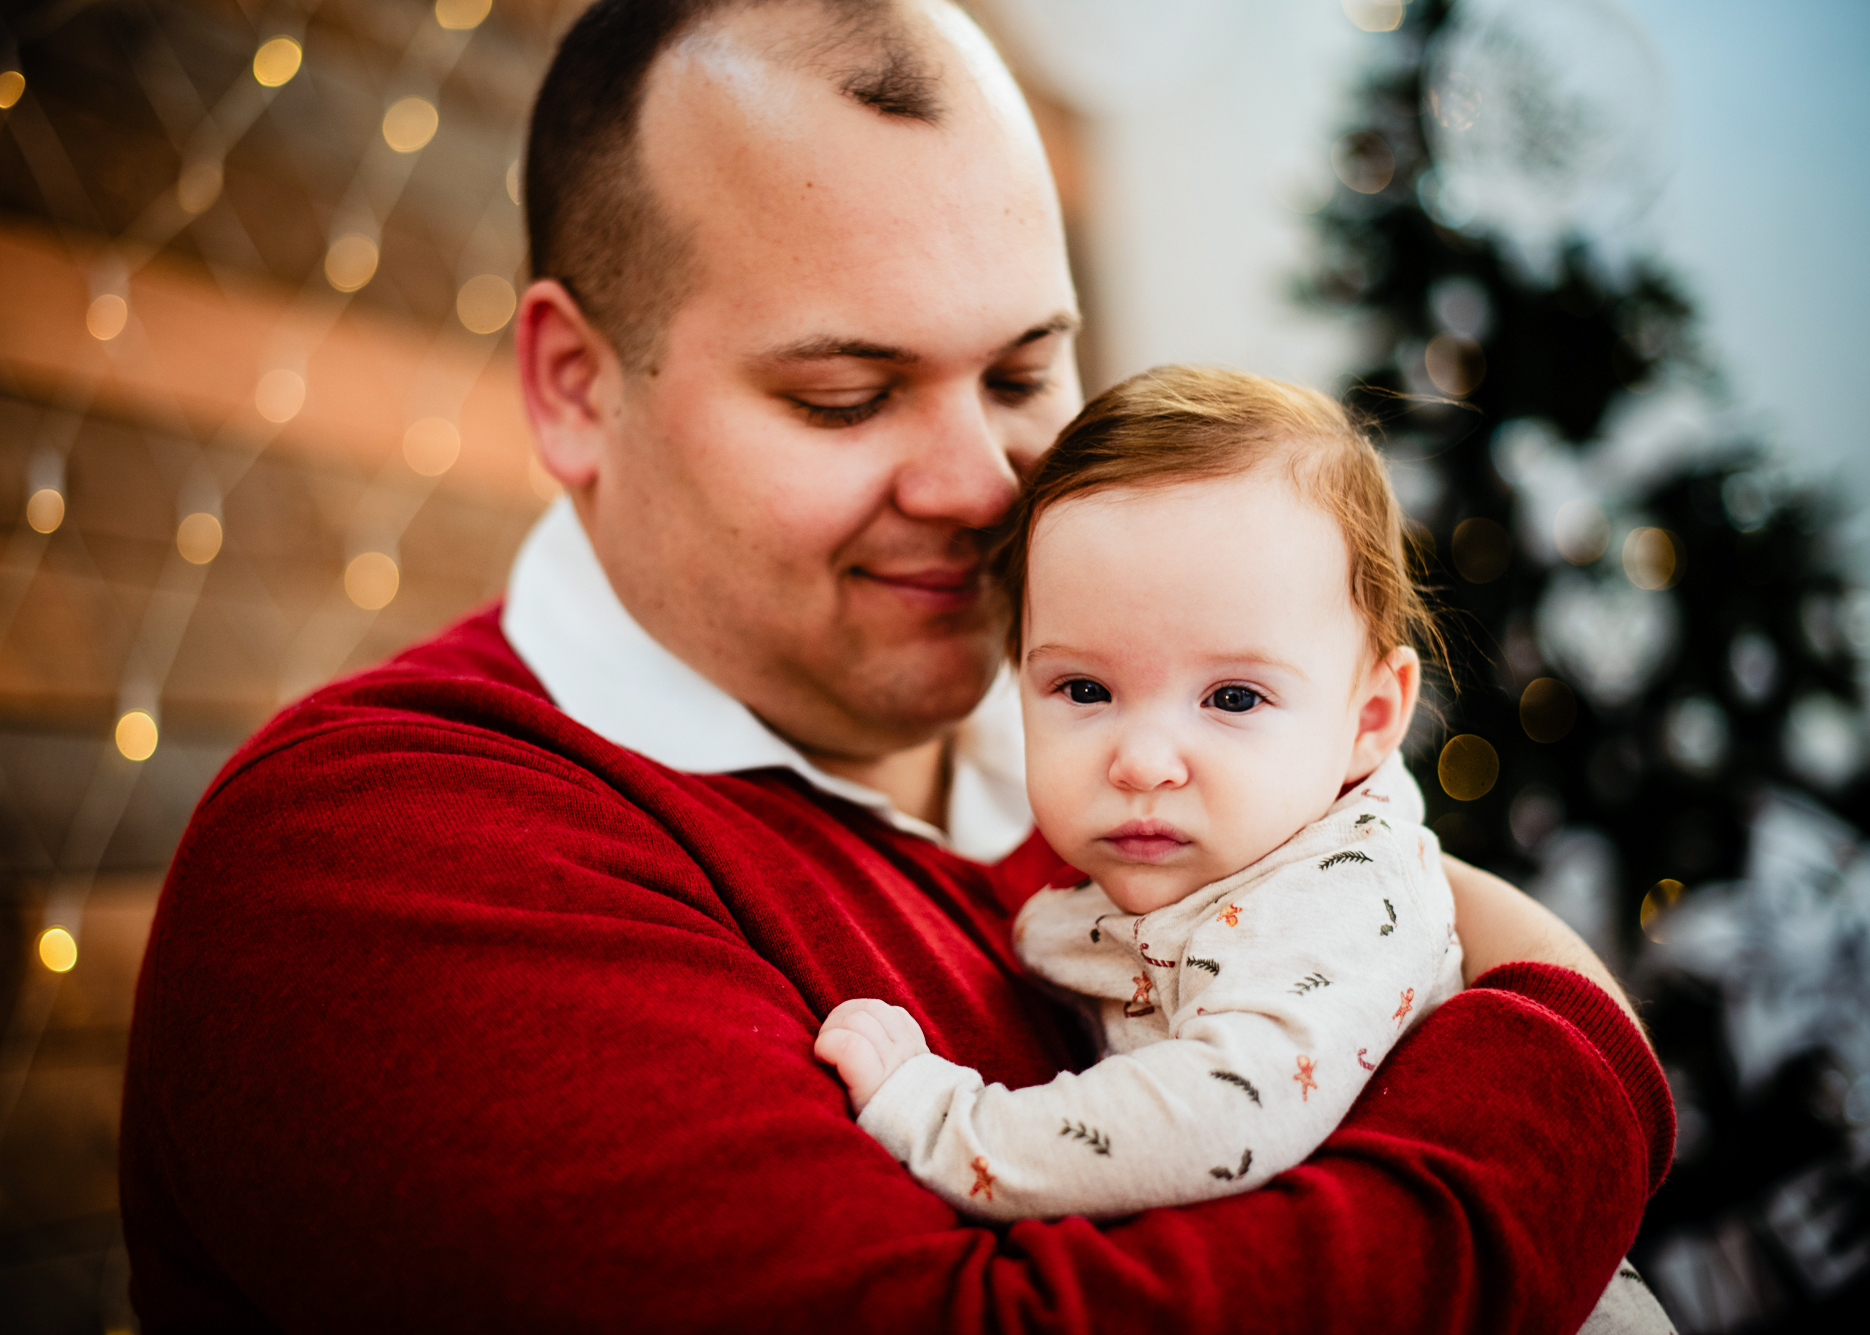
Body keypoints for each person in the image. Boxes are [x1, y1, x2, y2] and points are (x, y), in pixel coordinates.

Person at [119, 2, 1674, 1330]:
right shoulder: (380, 855)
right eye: (847, 394)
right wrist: (1571, 1050)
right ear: (579, 386)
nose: (985, 485)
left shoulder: (1098, 723)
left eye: (1021, 371)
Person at [814, 366, 1675, 1335]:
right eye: (1082, 690)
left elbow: (1217, 1114)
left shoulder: (1336, 894)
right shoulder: (1189, 860)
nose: (1139, 762)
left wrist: (939, 1120)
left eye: (1231, 699)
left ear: (1369, 718)